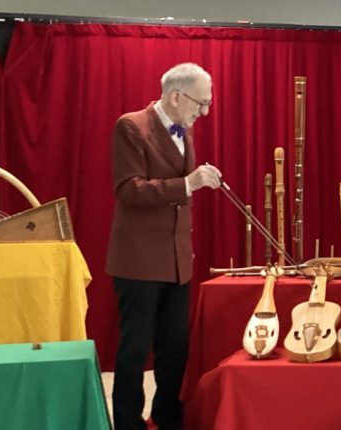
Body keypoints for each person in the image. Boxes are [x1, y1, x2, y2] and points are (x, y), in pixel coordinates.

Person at [106, 62, 222, 430]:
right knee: (136, 350)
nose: (203, 112)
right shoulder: (131, 126)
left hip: (175, 263)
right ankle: (127, 422)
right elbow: (129, 190)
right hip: (138, 262)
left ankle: (168, 418)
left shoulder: (183, 131)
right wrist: (187, 184)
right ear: (176, 96)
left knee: (175, 350)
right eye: (200, 103)